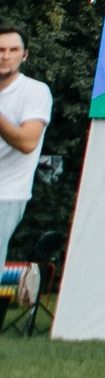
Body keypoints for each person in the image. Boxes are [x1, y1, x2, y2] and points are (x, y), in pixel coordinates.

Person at [0, 28, 50, 262]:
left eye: (13, 50)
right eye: (0, 50)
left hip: (6, 195)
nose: (5, 56)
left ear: (25, 55)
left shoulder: (35, 91)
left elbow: (28, 142)